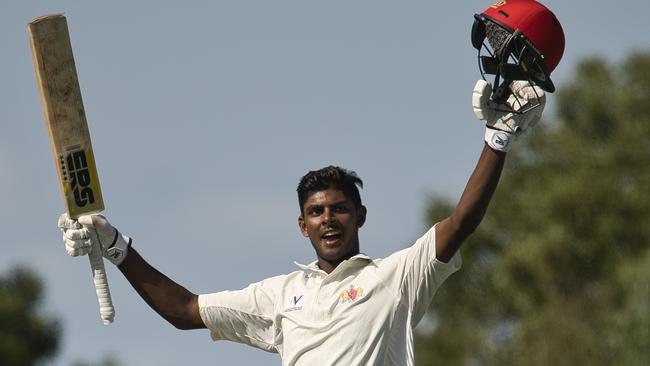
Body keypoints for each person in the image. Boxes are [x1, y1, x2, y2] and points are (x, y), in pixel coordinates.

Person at [59, 1, 564, 363]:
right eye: (318, 212)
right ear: (302, 226)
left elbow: (462, 223)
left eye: (339, 208)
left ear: (360, 216)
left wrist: (497, 141)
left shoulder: (395, 279)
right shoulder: (280, 296)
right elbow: (185, 311)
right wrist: (115, 245)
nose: (329, 219)